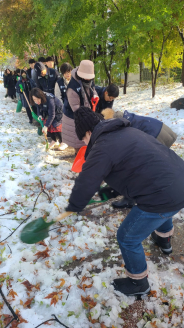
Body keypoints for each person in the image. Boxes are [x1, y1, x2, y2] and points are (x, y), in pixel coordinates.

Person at [64, 106, 184, 296]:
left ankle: (138, 284)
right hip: (179, 181)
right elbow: (128, 173)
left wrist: (74, 205)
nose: (85, 143)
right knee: (164, 204)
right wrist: (107, 193)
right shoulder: (127, 131)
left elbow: (86, 182)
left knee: (127, 237)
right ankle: (163, 240)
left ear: (88, 132)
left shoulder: (102, 147)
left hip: (163, 194)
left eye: (83, 139)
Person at [101, 107, 178, 208]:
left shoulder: (115, 126)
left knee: (138, 169)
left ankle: (131, 199)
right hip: (161, 129)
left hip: (156, 134)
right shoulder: (116, 118)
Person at [62, 59, 98, 153]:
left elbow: (92, 88)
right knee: (78, 143)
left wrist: (94, 95)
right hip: (74, 118)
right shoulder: (72, 88)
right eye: (86, 77)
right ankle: (79, 159)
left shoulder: (88, 80)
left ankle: (86, 159)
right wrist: (89, 116)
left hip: (86, 114)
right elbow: (76, 109)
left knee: (87, 144)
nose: (88, 79)